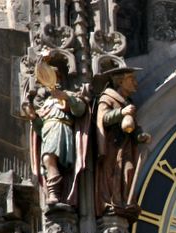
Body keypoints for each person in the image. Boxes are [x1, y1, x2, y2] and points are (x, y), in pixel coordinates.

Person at [23, 61, 88, 207]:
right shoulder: (46, 103)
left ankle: (54, 193)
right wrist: (34, 117)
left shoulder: (67, 95)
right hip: (48, 131)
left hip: (60, 128)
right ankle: (55, 193)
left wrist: (66, 97)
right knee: (48, 162)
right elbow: (40, 129)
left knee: (48, 159)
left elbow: (80, 110)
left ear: (58, 78)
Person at [95, 66, 150, 217]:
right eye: (131, 79)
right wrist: (121, 112)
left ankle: (125, 201)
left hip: (125, 146)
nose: (135, 83)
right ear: (120, 81)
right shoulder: (107, 98)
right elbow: (103, 119)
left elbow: (134, 125)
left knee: (129, 170)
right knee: (115, 173)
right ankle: (114, 203)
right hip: (113, 146)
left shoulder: (128, 102)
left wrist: (140, 135)